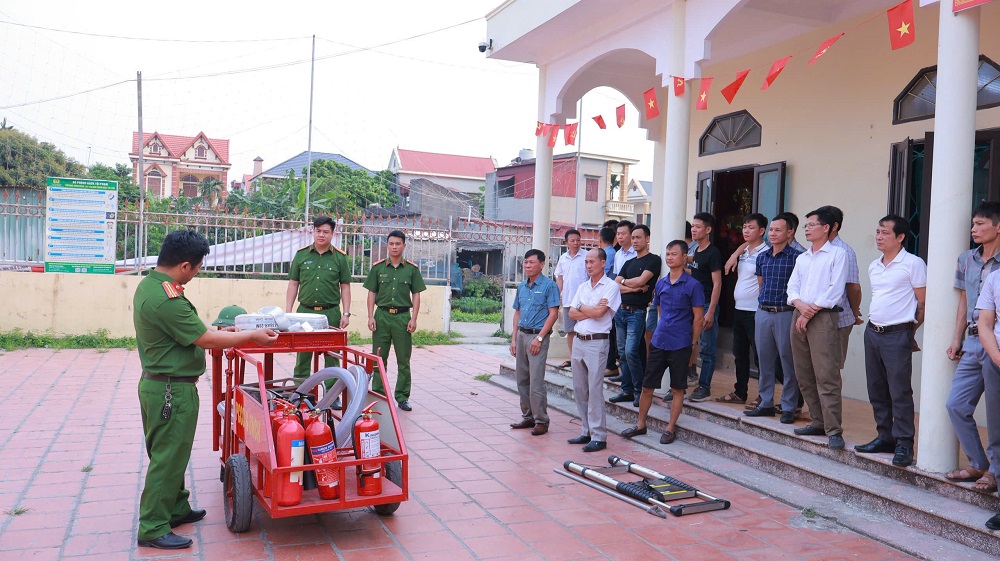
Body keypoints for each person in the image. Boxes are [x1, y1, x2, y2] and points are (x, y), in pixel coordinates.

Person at [133, 230, 278, 550]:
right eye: (197, 267)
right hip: (171, 390)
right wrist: (250, 335)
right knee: (167, 457)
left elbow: (196, 330)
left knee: (173, 452)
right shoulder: (167, 299)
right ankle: (153, 525)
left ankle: (175, 508)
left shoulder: (151, 285)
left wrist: (227, 330)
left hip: (161, 385)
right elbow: (205, 339)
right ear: (184, 265)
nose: (197, 273)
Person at [857, 214, 926, 467]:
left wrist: (910, 330)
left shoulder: (913, 263)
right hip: (873, 332)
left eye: (885, 232)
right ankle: (885, 436)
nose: (878, 236)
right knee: (877, 388)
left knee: (900, 391)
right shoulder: (874, 265)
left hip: (898, 334)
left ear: (900, 237)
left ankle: (904, 443)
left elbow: (923, 302)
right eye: (877, 232)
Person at [620, 240, 704, 444]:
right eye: (667, 254)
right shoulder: (661, 283)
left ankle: (670, 427)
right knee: (648, 386)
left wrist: (692, 343)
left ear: (685, 257)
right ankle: (641, 424)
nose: (669, 257)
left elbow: (698, 318)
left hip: (681, 343)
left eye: (674, 254)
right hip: (660, 341)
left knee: (677, 388)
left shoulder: (693, 285)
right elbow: (658, 309)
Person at [944, 202, 1000, 491]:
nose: (973, 229)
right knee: (956, 405)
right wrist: (957, 339)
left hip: (997, 342)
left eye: (980, 224)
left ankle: (995, 473)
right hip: (973, 340)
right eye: (973, 224)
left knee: (995, 413)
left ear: (998, 226)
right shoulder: (966, 258)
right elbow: (964, 301)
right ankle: (979, 464)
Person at [787, 209, 848, 450]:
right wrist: (800, 307)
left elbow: (836, 290)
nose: (807, 228)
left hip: (822, 317)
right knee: (803, 372)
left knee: (826, 374)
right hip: (799, 313)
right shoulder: (802, 258)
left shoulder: (838, 254)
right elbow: (792, 287)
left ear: (827, 228)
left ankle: (834, 430)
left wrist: (809, 311)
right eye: (806, 225)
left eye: (812, 225)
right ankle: (817, 421)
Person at [745, 213, 802, 422]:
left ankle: (789, 406)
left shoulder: (797, 258)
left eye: (778, 230)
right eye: (771, 230)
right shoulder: (763, 257)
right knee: (764, 360)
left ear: (790, 232)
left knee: (788, 361)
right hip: (763, 312)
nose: (773, 233)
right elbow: (762, 285)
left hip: (785, 313)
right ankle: (766, 402)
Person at [364, 230, 427, 412]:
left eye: (397, 244)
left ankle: (402, 396)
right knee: (379, 358)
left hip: (402, 317)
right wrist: (370, 316)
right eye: (391, 243)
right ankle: (379, 393)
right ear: (387, 245)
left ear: (404, 246)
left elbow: (416, 294)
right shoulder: (378, 268)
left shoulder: (411, 269)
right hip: (381, 316)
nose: (394, 247)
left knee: (403, 360)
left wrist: (413, 318)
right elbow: (371, 293)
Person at [567, 248, 621, 452]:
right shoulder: (583, 286)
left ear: (603, 263)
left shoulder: (611, 287)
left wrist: (583, 308)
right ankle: (586, 430)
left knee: (595, 389)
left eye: (592, 261)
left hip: (597, 343)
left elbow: (600, 313)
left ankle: (599, 435)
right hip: (579, 341)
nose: (588, 265)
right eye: (586, 262)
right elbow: (572, 313)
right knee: (580, 388)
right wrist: (588, 309)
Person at [287, 216, 352, 381]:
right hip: (305, 312)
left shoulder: (340, 257)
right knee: (303, 355)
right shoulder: (301, 255)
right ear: (313, 232)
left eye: (325, 232)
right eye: (318, 231)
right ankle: (300, 391)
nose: (321, 235)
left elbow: (345, 286)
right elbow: (293, 284)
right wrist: (288, 312)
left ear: (332, 234)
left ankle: (332, 393)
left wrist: (346, 313)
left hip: (330, 313)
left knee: (331, 354)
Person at [717, 213, 768, 405]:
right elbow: (744, 246)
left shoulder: (765, 253)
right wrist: (734, 254)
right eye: (744, 227)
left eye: (751, 227)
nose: (746, 231)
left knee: (760, 356)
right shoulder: (745, 250)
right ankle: (740, 392)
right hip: (739, 309)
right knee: (740, 354)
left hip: (756, 311)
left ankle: (764, 396)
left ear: (762, 231)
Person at [509, 249, 561, 435]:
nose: (528, 266)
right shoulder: (522, 286)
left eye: (532, 262)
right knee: (522, 379)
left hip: (537, 337)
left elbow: (553, 313)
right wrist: (514, 339)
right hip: (522, 335)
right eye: (526, 262)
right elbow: (517, 313)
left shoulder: (549, 286)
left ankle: (541, 420)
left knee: (536, 381)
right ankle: (528, 416)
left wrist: (539, 337)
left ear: (541, 264)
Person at [610, 224, 661, 408]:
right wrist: (635, 287)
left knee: (632, 351)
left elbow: (642, 281)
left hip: (636, 313)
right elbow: (615, 285)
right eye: (633, 238)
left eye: (638, 237)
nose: (635, 241)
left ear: (647, 239)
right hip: (620, 311)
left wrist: (629, 283)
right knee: (623, 353)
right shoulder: (628, 262)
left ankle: (640, 391)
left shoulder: (653, 260)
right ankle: (626, 390)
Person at [971, 253, 1000, 530]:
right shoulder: (994, 278)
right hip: (997, 361)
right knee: (998, 434)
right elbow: (985, 324)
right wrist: (998, 358)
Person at [817, 205, 864, 372]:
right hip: (814, 318)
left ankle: (831, 400)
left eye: (818, 224)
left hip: (838, 318)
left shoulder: (844, 251)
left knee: (831, 369)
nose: (811, 228)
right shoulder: (815, 251)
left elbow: (853, 287)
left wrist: (854, 311)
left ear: (834, 226)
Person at [686, 213, 723, 402]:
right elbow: (697, 273)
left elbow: (717, 284)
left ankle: (704, 387)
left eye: (698, 226)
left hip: (707, 304)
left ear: (708, 230)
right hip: (694, 305)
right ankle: (681, 384)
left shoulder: (713, 253)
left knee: (707, 348)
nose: (693, 229)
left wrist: (710, 311)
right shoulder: (696, 252)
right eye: (693, 226)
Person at [555, 229, 588, 368]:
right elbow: (560, 279)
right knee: (570, 331)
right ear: (566, 242)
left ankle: (585, 359)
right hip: (568, 300)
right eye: (572, 240)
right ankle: (572, 358)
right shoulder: (563, 258)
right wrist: (557, 298)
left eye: (578, 240)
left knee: (585, 330)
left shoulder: (586, 256)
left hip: (585, 302)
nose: (576, 243)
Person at [599, 226, 620, 377]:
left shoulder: (607, 254)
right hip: (611, 295)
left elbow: (603, 275)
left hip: (607, 297)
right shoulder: (615, 253)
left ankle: (610, 364)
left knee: (609, 333)